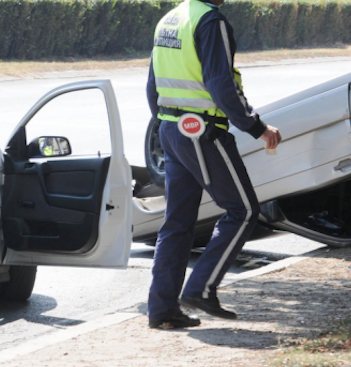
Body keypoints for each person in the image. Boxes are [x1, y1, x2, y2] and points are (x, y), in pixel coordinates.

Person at [146, 0, 281, 329]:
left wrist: (168, 126)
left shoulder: (170, 19)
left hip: (172, 130)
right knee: (244, 210)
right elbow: (221, 86)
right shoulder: (211, 21)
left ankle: (162, 310)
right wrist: (258, 129)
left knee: (176, 223)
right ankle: (201, 289)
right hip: (202, 133)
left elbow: (153, 87)